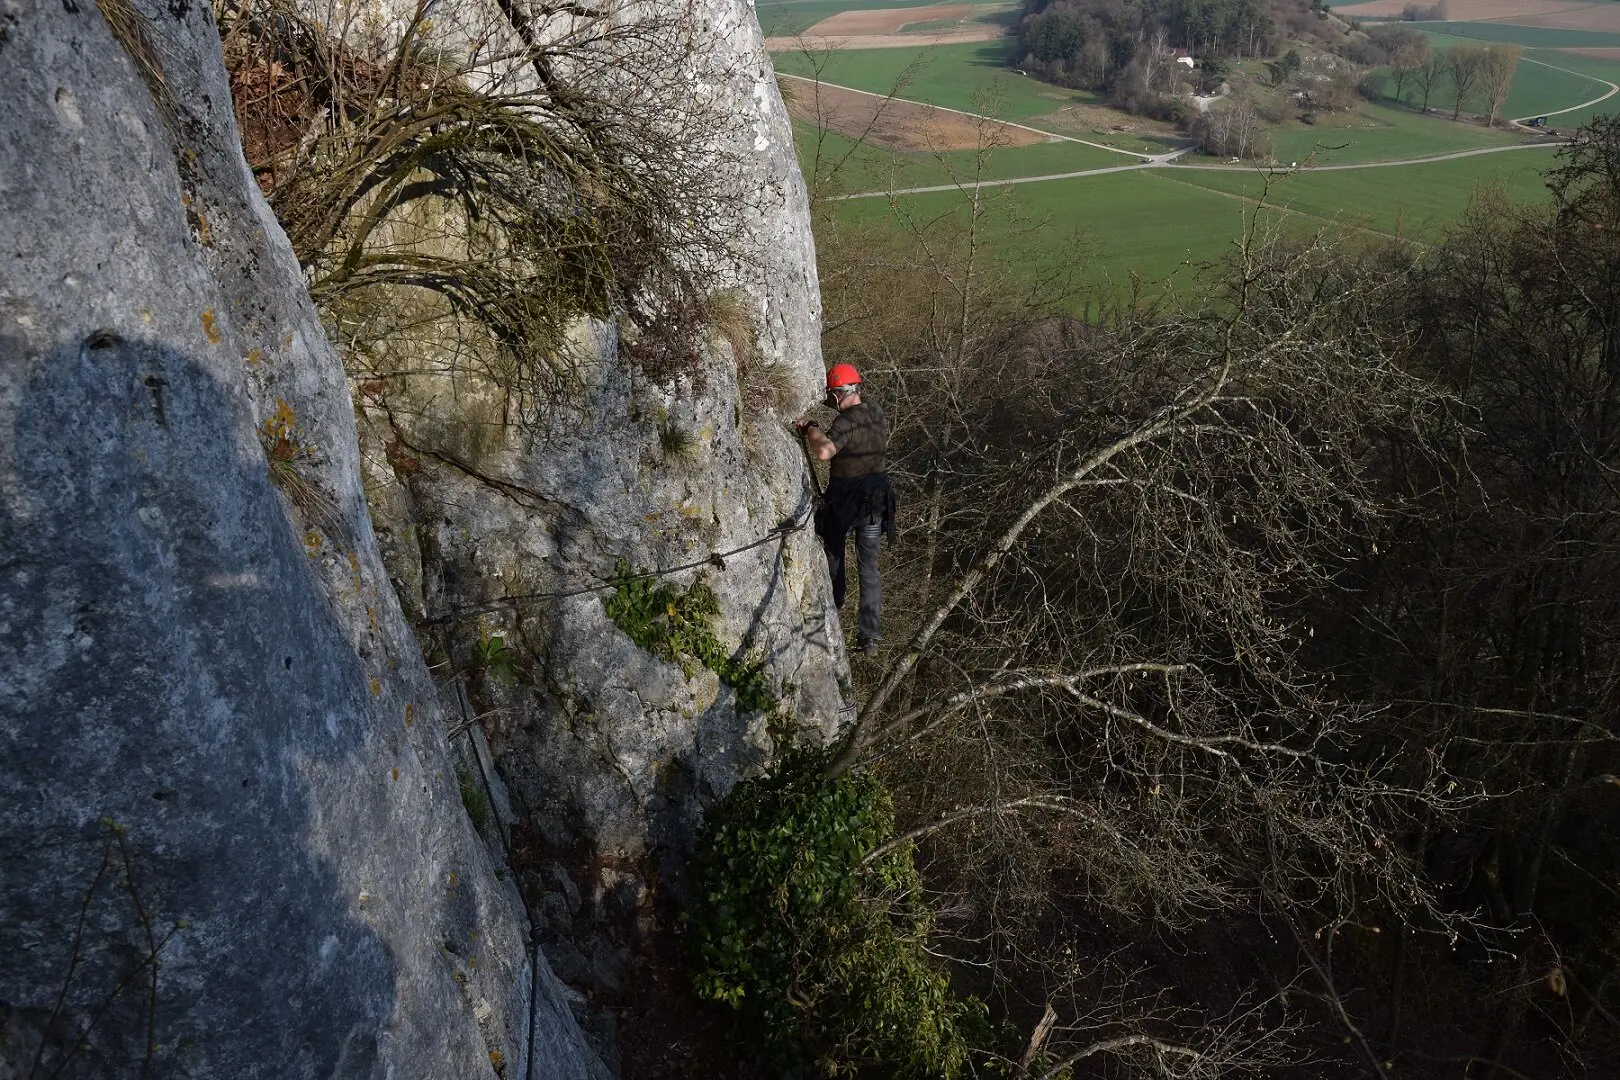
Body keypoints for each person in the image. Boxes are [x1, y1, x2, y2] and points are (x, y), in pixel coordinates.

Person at [795, 363, 894, 653]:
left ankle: (833, 606)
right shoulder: (876, 413)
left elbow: (825, 451)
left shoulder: (845, 422)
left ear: (838, 393)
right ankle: (870, 634)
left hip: (846, 502)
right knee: (869, 566)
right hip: (876, 502)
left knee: (834, 553)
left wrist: (811, 428)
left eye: (831, 396)